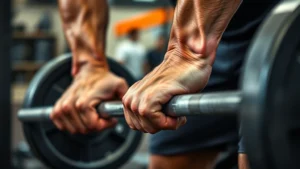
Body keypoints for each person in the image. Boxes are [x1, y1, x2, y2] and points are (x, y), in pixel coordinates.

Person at [51, 0, 280, 169]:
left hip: (283, 17)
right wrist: (89, 65)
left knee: (259, 155)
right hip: (217, 34)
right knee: (169, 160)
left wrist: (187, 53)